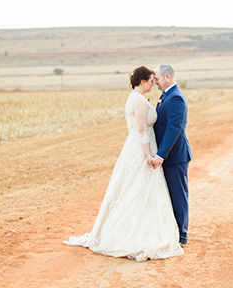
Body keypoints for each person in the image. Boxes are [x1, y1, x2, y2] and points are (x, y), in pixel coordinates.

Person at [63, 66, 183, 261]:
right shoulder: (140, 102)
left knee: (134, 190)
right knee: (138, 190)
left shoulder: (135, 99)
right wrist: (149, 156)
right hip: (141, 150)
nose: (154, 84)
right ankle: (132, 233)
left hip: (135, 148)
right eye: (152, 81)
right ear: (143, 82)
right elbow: (142, 131)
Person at [153, 64, 192, 246]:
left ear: (167, 76)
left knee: (178, 195)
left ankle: (181, 236)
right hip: (169, 156)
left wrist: (161, 155)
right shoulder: (167, 95)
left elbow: (173, 129)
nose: (156, 83)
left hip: (175, 157)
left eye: (158, 79)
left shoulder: (176, 98)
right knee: (170, 195)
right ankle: (172, 232)